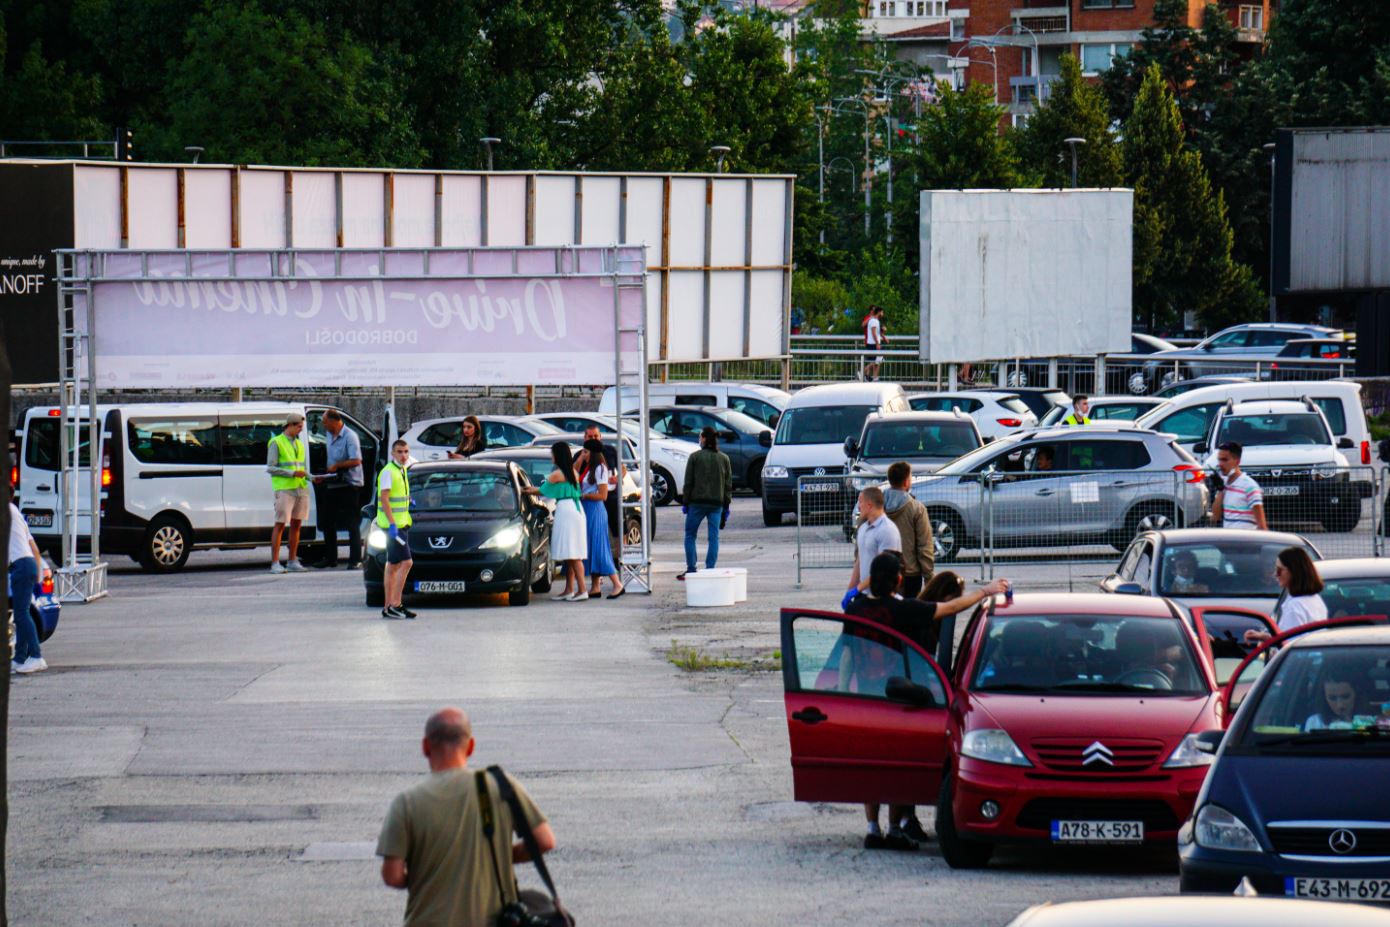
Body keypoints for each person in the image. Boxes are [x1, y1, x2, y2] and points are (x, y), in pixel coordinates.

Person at [845, 553, 1010, 851]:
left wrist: (843, 694)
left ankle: (872, 828)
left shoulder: (855, 609)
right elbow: (950, 607)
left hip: (866, 701)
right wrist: (985, 592)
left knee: (873, 765)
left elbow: (847, 655)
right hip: (898, 698)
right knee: (897, 766)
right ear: (898, 579)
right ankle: (894, 829)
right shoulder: (904, 609)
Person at [377, 707, 555, 927]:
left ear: (425, 746)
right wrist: (494, 855)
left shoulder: (406, 802)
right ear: (470, 746)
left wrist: (431, 869)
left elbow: (392, 876)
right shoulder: (500, 785)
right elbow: (545, 841)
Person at [524, 442, 586, 601]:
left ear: (558, 455)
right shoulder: (572, 472)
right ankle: (569, 589)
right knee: (571, 552)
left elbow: (541, 490)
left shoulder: (557, 474)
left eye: (552, 453)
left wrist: (525, 490)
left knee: (573, 553)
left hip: (566, 510)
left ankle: (582, 590)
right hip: (575, 509)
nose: (551, 456)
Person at [309, 409, 364, 570]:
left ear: (334, 421)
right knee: (327, 520)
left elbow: (357, 460)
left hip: (349, 483)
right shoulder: (329, 434)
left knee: (351, 522)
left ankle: (355, 560)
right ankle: (331, 557)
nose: (323, 425)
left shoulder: (350, 436)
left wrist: (337, 466)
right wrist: (324, 474)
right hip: (333, 482)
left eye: (325, 422)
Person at [679, 426, 732, 581]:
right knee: (713, 537)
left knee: (690, 535)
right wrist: (726, 506)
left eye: (700, 437)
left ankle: (691, 568)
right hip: (716, 504)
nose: (699, 440)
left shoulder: (694, 457)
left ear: (703, 438)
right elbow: (728, 485)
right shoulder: (724, 459)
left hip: (696, 503)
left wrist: (685, 502)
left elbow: (688, 482)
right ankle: (710, 569)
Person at [1245, 546, 1326, 643]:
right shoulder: (1315, 599)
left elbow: (1289, 644)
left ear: (1293, 571)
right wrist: (1263, 636)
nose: (1275, 574)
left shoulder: (1295, 606)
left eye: (1279, 570)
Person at [578, 438, 623, 600]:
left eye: (586, 452)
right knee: (592, 546)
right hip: (589, 510)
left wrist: (585, 495)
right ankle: (595, 586)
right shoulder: (590, 468)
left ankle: (617, 584)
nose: (583, 455)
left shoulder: (600, 469)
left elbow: (603, 495)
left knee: (599, 547)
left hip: (595, 510)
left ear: (593, 453)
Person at [9, 493, 49, 674]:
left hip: (20, 566)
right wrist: (38, 574)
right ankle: (19, 658)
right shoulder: (16, 514)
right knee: (22, 613)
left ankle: (36, 656)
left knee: (21, 614)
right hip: (29, 564)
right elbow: (35, 549)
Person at [842, 486, 901, 610]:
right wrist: (850, 590)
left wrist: (857, 589)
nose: (859, 506)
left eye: (860, 502)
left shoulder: (887, 530)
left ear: (869, 505)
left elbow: (884, 569)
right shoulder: (864, 528)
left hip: (882, 597)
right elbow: (859, 561)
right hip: (864, 594)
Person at [377, 439, 416, 620]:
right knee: (406, 563)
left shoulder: (401, 470)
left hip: (401, 524)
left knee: (393, 565)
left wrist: (409, 500)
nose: (404, 455)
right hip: (394, 526)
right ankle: (395, 604)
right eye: (400, 452)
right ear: (392, 453)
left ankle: (388, 606)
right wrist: (392, 524)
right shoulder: (388, 471)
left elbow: (396, 495)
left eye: (406, 451)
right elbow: (384, 499)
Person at [267, 411, 311, 573]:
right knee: (280, 524)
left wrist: (313, 478)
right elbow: (271, 468)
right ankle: (275, 563)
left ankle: (292, 561)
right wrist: (292, 473)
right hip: (285, 489)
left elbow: (301, 468)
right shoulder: (276, 442)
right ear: (290, 425)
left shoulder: (299, 444)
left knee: (296, 525)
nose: (301, 429)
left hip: (300, 487)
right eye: (299, 426)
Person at [883, 461, 933, 598]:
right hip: (910, 573)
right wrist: (929, 577)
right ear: (906, 482)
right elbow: (924, 545)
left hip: (882, 571)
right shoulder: (917, 508)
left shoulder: (877, 506)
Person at [583, 424, 622, 567]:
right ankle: (594, 564)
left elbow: (622, 469)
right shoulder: (582, 455)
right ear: (585, 437)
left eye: (596, 436)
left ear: (600, 437)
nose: (593, 439)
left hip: (610, 496)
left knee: (617, 528)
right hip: (590, 504)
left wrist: (617, 478)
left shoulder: (609, 452)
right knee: (593, 535)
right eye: (590, 436)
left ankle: (618, 560)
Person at [1211, 441, 1267, 530]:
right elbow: (1215, 516)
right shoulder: (1224, 483)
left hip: (1246, 537)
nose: (1220, 464)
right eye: (1219, 459)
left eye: (1225, 460)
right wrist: (1220, 490)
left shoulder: (1249, 486)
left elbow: (1261, 525)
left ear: (1237, 462)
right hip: (1229, 537)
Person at [863, 305, 884, 382]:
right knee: (875, 361)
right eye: (882, 312)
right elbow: (874, 333)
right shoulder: (873, 321)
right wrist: (877, 343)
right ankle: (863, 371)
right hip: (873, 344)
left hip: (873, 343)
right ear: (879, 312)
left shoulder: (875, 320)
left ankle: (875, 377)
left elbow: (877, 333)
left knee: (878, 361)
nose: (883, 313)